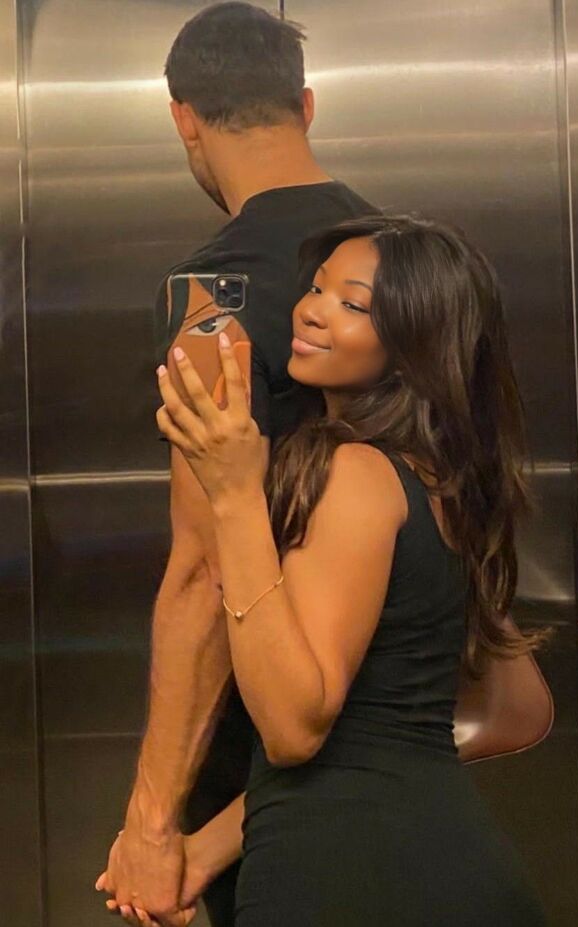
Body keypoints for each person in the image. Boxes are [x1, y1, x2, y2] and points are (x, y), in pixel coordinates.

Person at [144, 212, 552, 926]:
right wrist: (204, 851)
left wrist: (235, 497)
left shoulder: (355, 475)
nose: (312, 310)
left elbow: (293, 728)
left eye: (354, 305)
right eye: (318, 287)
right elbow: (506, 712)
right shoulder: (436, 482)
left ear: (413, 345)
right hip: (442, 863)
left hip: (350, 879)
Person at [96, 3, 382, 926]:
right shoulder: (421, 259)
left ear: (184, 118)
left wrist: (152, 823)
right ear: (307, 104)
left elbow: (205, 568)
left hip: (277, 751)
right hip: (409, 737)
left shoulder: (207, 297)